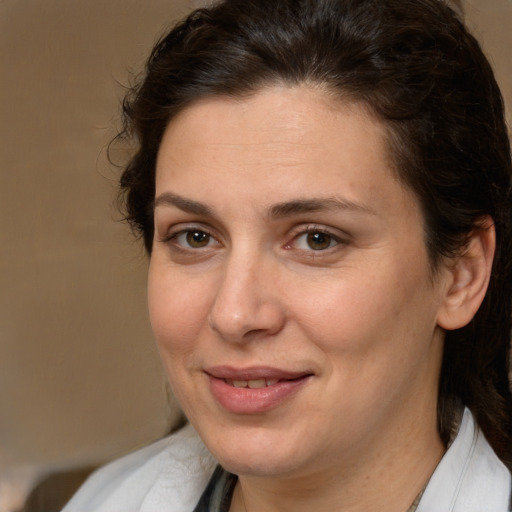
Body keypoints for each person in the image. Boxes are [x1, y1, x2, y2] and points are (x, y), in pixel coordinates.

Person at [63, 0, 512, 510]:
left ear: (461, 274)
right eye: (195, 236)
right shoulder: (103, 501)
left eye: (317, 239)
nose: (234, 315)